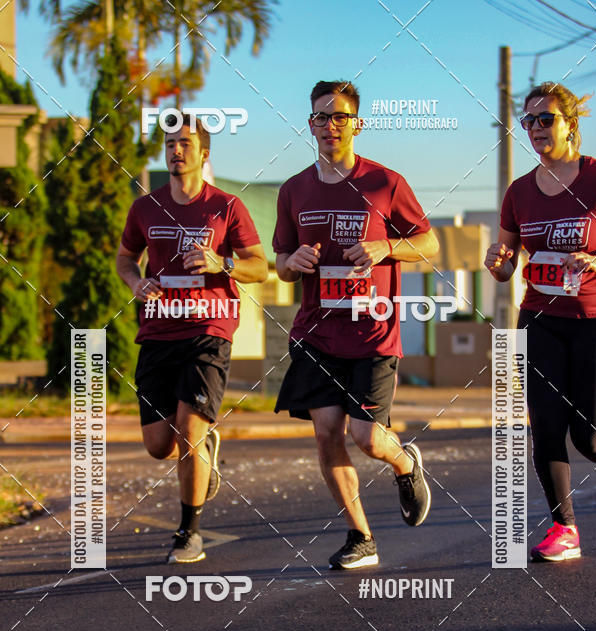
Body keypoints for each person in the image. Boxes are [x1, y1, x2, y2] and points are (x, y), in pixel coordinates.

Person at [273, 80, 439, 570]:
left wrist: (386, 246)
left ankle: (406, 462)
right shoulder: (293, 190)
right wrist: (293, 260)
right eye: (321, 117)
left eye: (340, 116)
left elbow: (429, 244)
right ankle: (360, 536)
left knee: (368, 439)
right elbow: (279, 262)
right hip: (316, 333)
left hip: (373, 332)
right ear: (310, 125)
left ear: (357, 123)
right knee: (327, 432)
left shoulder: (384, 183)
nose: (330, 125)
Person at [116, 113, 268, 563]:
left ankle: (189, 532)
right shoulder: (145, 207)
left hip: (210, 329)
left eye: (185, 143)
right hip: (159, 331)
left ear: (204, 153)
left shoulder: (226, 207)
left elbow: (259, 267)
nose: (176, 151)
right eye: (169, 144)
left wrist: (221, 263)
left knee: (189, 430)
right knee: (158, 445)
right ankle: (202, 448)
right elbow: (126, 259)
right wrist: (134, 284)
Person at [485, 82, 596, 562]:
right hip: (539, 317)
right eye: (528, 121)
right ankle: (564, 529)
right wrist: (499, 262)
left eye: (545, 118)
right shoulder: (520, 191)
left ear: (570, 123)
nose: (534, 128)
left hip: (594, 319)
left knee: (590, 437)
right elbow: (509, 261)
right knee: (545, 425)